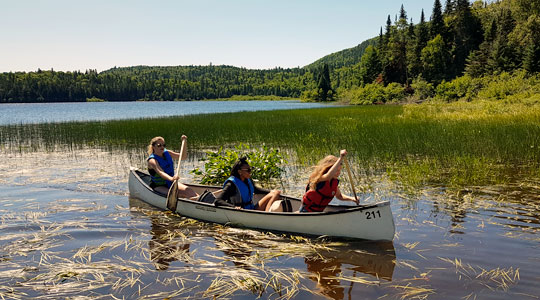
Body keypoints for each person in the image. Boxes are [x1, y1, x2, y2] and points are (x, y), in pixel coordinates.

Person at [214, 157, 281, 211]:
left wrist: (269, 191)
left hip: (252, 209)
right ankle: (268, 215)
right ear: (240, 172)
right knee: (275, 193)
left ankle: (267, 213)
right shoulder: (231, 184)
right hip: (243, 211)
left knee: (276, 192)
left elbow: (255, 190)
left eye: (250, 170)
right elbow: (217, 201)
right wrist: (234, 207)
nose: (250, 172)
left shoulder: (247, 179)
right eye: (248, 170)